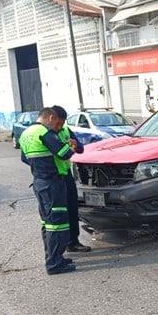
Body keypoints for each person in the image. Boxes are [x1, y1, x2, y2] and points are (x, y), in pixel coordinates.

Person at [19, 107, 78, 275]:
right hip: (52, 183)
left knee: (48, 223)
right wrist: (71, 147)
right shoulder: (44, 132)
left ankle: (54, 257)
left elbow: (24, 158)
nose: (56, 127)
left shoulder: (26, 133)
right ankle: (54, 263)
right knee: (57, 224)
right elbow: (63, 153)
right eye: (56, 123)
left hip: (39, 182)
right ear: (50, 117)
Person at [51, 106, 90, 253]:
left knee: (72, 209)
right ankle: (60, 246)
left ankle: (73, 242)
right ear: (51, 119)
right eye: (58, 123)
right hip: (52, 178)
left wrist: (75, 145)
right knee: (58, 214)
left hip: (67, 175)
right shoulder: (47, 134)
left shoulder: (66, 130)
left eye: (62, 123)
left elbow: (80, 148)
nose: (60, 126)